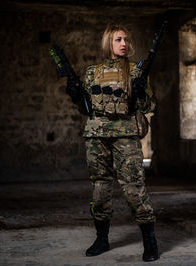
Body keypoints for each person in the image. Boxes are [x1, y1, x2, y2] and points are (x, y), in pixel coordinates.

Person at [67, 25, 158, 262]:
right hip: (97, 135)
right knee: (100, 187)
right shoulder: (91, 73)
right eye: (118, 39)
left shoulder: (137, 72)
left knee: (134, 187)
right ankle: (102, 239)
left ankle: (150, 241)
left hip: (126, 135)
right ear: (109, 42)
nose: (124, 43)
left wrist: (141, 94)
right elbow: (85, 107)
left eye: (126, 39)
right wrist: (75, 95)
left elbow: (150, 107)